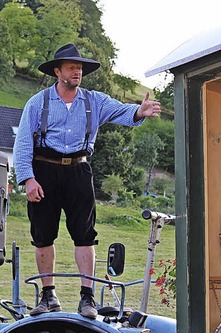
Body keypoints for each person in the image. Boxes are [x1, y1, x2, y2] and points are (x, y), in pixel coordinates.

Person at [13, 43, 161, 318]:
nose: (77, 72)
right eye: (71, 67)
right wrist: (28, 179)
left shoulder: (94, 101)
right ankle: (48, 296)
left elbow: (122, 112)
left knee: (85, 235)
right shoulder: (38, 102)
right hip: (44, 170)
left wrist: (140, 111)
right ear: (58, 72)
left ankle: (87, 298)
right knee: (43, 234)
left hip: (78, 171)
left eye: (79, 68)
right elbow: (22, 143)